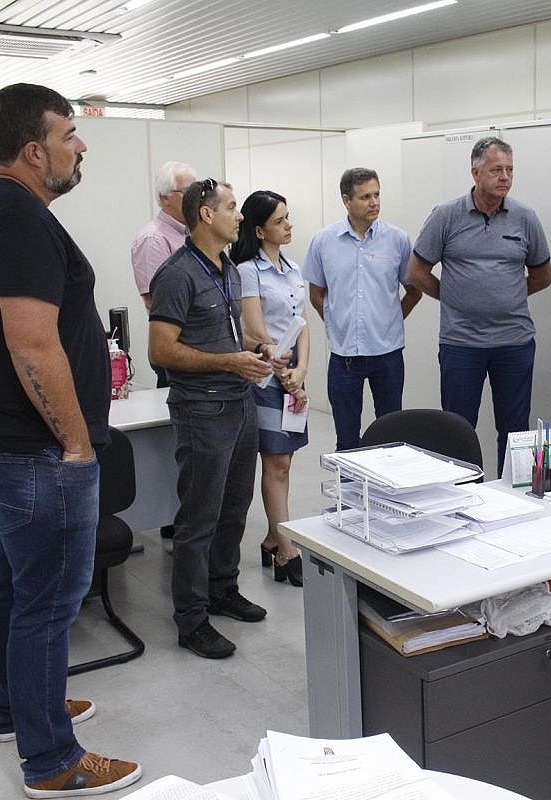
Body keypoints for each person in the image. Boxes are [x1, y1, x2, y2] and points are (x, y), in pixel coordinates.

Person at [0, 83, 141, 797]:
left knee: (15, 584)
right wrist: (78, 444)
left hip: (2, 438)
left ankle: (15, 710)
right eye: (68, 136)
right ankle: (52, 759)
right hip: (34, 447)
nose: (80, 146)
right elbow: (32, 344)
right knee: (49, 602)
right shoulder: (17, 216)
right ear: (33, 150)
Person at [149, 178, 278, 659]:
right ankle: (191, 619)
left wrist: (257, 350)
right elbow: (161, 351)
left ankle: (223, 589)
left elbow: (224, 335)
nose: (240, 216)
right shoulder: (176, 274)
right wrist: (228, 361)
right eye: (231, 207)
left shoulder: (230, 271)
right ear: (206, 214)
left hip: (239, 403)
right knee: (199, 517)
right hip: (202, 409)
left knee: (235, 507)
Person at [406, 136, 551, 472]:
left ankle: (510, 495)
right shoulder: (446, 216)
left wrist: (506, 297)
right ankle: (462, 493)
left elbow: (542, 276)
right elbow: (416, 272)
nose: (505, 177)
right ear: (475, 173)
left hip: (514, 342)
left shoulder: (525, 218)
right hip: (461, 343)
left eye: (510, 170)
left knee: (515, 430)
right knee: (457, 429)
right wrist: (454, 297)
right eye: (496, 169)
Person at [304, 167, 422, 451]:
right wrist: (335, 322)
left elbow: (414, 290)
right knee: (346, 441)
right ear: (347, 200)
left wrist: (391, 320)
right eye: (366, 197)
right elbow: (316, 293)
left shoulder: (397, 239)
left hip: (388, 354)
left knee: (391, 437)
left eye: (377, 195)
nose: (374, 202)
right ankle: (349, 481)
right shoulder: (324, 241)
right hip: (344, 356)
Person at [231, 190, 311, 587]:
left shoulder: (293, 269)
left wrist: (302, 372)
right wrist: (284, 377)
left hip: (292, 376)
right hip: (265, 378)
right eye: (280, 221)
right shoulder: (249, 271)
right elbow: (256, 332)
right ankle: (286, 550)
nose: (288, 225)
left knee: (286, 462)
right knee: (275, 462)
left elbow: (303, 326)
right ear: (260, 231)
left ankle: (272, 538)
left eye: (287, 217)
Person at [131, 160, 197, 387]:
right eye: (188, 192)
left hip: (200, 350)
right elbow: (156, 301)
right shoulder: (153, 239)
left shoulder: (192, 234)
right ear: (164, 197)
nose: (196, 199)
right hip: (176, 351)